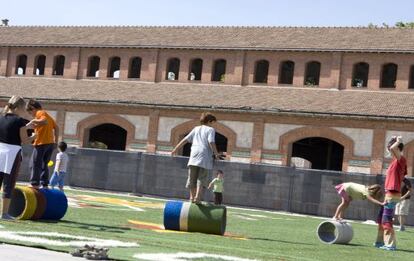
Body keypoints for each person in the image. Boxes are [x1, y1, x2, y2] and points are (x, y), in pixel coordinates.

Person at [171, 112, 220, 203]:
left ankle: (191, 197)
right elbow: (211, 142)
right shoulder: (210, 130)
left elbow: (185, 140)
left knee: (192, 177)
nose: (213, 125)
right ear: (209, 121)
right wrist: (216, 153)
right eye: (213, 122)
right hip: (204, 155)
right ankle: (197, 198)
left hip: (193, 155)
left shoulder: (196, 129)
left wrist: (175, 149)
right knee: (201, 177)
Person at [0, 96, 35, 220]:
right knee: (9, 183)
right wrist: (35, 136)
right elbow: (25, 141)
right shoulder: (19, 121)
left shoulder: (1, 117)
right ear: (19, 107)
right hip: (12, 153)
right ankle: (4, 214)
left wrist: (27, 127)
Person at [374, 136, 407, 251]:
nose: (388, 148)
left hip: (392, 194)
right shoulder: (396, 162)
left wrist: (398, 141)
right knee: (380, 219)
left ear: (397, 148)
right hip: (389, 193)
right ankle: (380, 242)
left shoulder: (400, 159)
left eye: (391, 146)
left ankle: (391, 245)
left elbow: (393, 148)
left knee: (386, 219)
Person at [26, 99, 59, 189]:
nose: (31, 115)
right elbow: (57, 127)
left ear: (32, 108)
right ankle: (44, 184)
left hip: (42, 143)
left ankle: (34, 183)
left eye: (30, 113)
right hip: (50, 144)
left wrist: (33, 121)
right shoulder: (47, 115)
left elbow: (44, 121)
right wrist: (56, 141)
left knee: (35, 163)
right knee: (44, 164)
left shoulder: (40, 113)